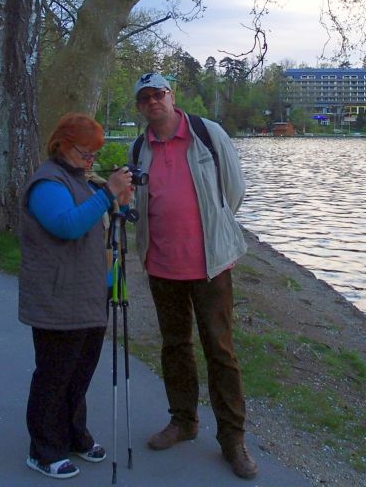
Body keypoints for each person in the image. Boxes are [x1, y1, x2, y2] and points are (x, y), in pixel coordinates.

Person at [129, 73, 258, 480]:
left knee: (220, 351)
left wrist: (215, 231)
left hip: (210, 266)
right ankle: (183, 421)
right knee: (175, 347)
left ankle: (232, 440)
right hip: (161, 266)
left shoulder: (207, 134)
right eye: (145, 98)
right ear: (140, 107)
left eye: (159, 94)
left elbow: (234, 191)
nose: (153, 102)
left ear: (172, 96)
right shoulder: (139, 148)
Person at [19, 112, 133, 480]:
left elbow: (99, 221)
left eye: (94, 155)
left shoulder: (81, 178)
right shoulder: (47, 183)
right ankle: (43, 449)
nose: (90, 160)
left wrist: (121, 202)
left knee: (80, 373)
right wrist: (107, 193)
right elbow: (66, 225)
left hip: (89, 293)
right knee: (54, 375)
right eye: (85, 153)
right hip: (57, 297)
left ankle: (73, 434)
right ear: (63, 146)